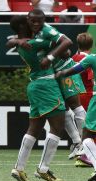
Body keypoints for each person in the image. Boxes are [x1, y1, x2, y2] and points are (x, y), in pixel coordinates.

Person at [7, 15, 66, 181]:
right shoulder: (33, 43)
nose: (32, 25)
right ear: (21, 28)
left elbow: (12, 42)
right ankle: (43, 168)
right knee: (57, 126)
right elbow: (63, 44)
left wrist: (15, 41)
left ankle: (18, 168)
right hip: (46, 86)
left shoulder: (24, 43)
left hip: (35, 85)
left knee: (34, 127)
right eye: (27, 23)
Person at [27, 9, 86, 160]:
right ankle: (78, 142)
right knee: (62, 108)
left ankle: (85, 144)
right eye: (32, 20)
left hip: (65, 68)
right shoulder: (32, 34)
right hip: (53, 75)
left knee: (75, 105)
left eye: (38, 20)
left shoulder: (48, 30)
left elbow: (66, 44)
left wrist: (51, 55)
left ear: (43, 20)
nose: (35, 23)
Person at [55, 36, 96, 181]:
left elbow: (74, 71)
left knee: (87, 134)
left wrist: (58, 74)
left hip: (87, 95)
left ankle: (83, 153)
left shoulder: (89, 58)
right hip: (87, 95)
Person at [72, 33, 94, 167]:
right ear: (91, 46)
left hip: (75, 95)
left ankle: (83, 153)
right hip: (89, 94)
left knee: (87, 127)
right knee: (91, 126)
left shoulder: (73, 58)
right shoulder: (90, 59)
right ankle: (85, 155)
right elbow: (91, 77)